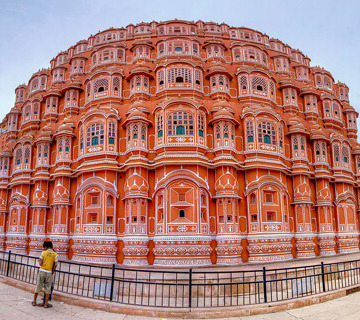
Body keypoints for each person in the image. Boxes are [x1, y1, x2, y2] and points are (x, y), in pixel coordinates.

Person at [32, 241, 58, 308]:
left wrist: (40, 262)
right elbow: (55, 265)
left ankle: (34, 301)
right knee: (48, 288)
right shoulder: (55, 254)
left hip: (42, 271)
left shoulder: (43, 252)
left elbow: (40, 262)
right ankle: (46, 303)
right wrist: (52, 271)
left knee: (38, 286)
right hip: (49, 272)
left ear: (46, 247)